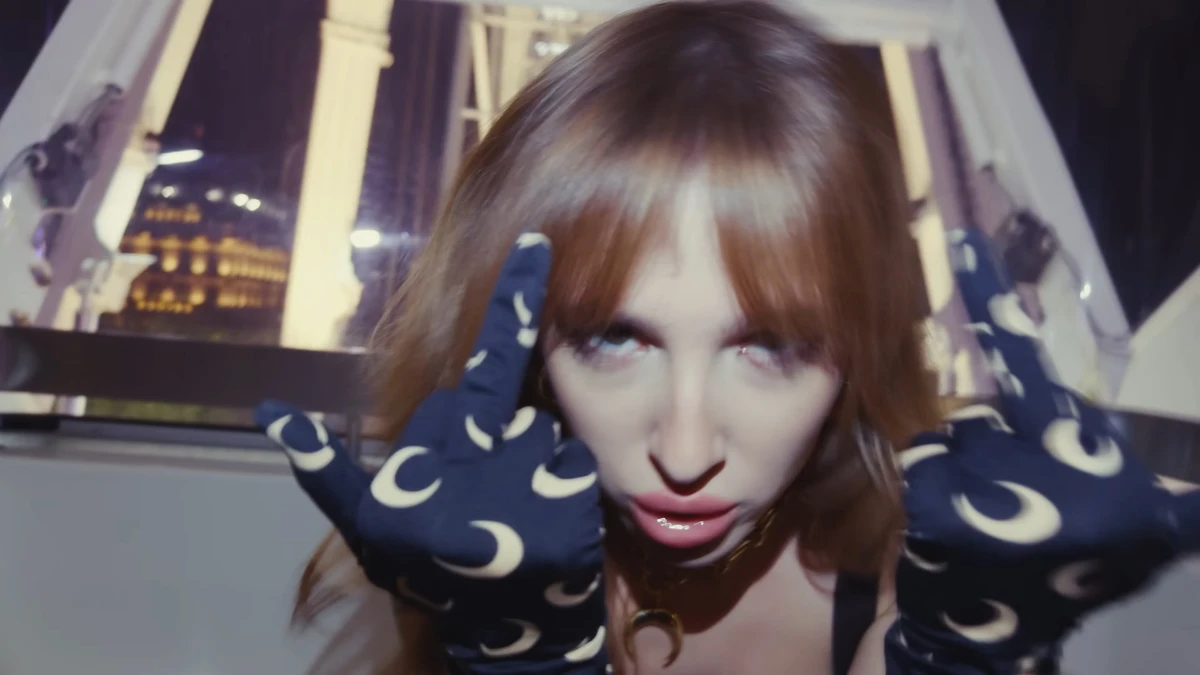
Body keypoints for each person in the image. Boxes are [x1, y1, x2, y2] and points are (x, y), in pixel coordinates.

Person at [256, 1, 1200, 673]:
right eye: (614, 338)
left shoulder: (905, 590)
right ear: (529, 340)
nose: (684, 451)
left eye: (772, 346)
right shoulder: (474, 553)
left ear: (858, 347)